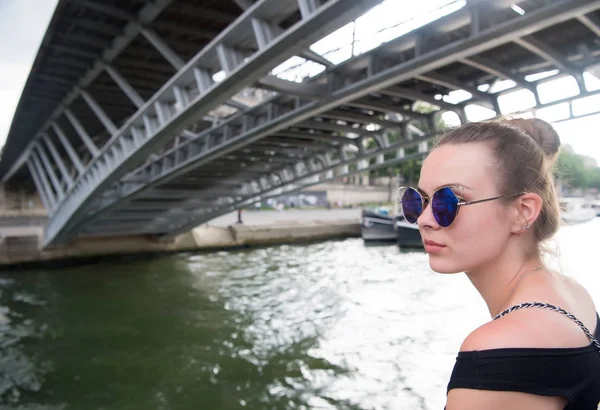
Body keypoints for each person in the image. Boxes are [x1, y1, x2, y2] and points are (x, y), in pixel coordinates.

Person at [398, 118, 600, 410]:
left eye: (449, 201)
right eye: (418, 200)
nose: (423, 219)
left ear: (523, 211)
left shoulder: (494, 354)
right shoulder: (573, 294)